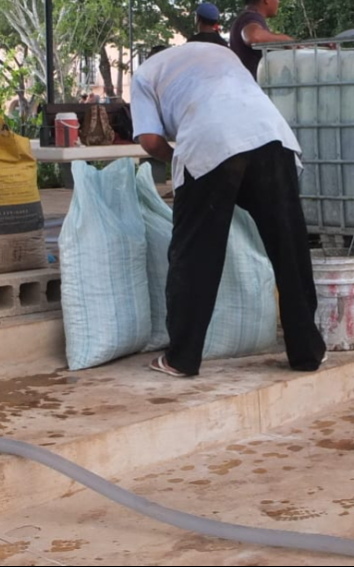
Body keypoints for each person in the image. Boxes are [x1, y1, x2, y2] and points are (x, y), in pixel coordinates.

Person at [131, 41, 326, 377]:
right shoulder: (217, 52)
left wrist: (177, 157)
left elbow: (149, 140)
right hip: (272, 136)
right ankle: (307, 351)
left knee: (195, 254)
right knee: (289, 248)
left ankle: (181, 358)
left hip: (210, 141)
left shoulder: (145, 74)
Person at [229, 0, 294, 79]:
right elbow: (253, 36)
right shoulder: (251, 17)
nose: (278, 1)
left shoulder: (244, 18)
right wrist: (285, 39)